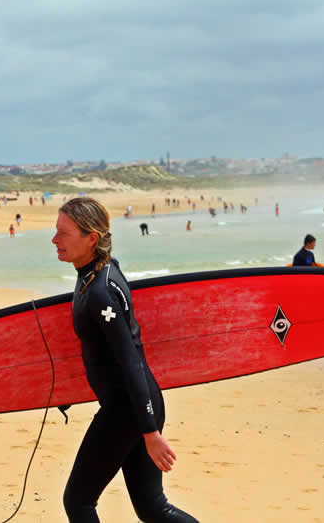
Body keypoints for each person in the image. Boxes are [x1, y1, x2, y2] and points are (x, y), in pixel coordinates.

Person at [52, 197, 198, 523]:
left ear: (91, 239)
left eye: (64, 233)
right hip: (140, 401)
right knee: (152, 507)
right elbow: (101, 352)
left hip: (128, 409)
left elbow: (129, 360)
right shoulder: (99, 270)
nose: (55, 240)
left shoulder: (99, 291)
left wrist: (149, 432)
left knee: (78, 502)